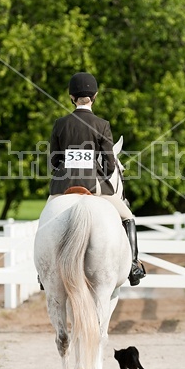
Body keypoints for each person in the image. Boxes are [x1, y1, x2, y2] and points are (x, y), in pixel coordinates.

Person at [48, 71, 146, 286]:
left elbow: (54, 162)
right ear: (95, 96)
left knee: (45, 220)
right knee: (127, 216)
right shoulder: (102, 125)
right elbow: (111, 165)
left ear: (71, 97)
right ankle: (132, 266)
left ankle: (44, 270)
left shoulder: (60, 124)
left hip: (62, 185)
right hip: (94, 185)